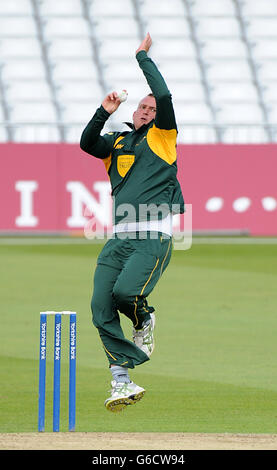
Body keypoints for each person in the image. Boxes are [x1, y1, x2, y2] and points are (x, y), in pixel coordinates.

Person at [80, 33, 184, 412]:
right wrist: (104, 111)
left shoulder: (163, 139)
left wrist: (141, 57)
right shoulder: (119, 143)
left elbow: (165, 98)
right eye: (142, 106)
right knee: (99, 307)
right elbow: (87, 143)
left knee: (126, 295)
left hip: (152, 236)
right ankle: (121, 381)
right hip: (119, 238)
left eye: (151, 108)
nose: (145, 110)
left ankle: (143, 319)